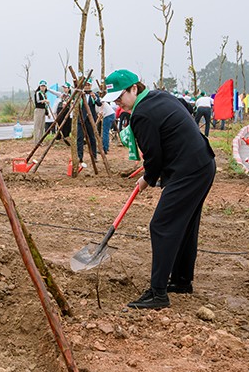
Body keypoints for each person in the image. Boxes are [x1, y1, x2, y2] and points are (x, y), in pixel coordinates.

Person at [103, 69, 215, 310]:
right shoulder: (160, 96)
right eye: (115, 100)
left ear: (134, 88)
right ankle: (182, 281)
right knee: (185, 224)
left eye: (120, 97)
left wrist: (148, 178)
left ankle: (158, 293)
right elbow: (185, 110)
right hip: (203, 164)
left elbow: (153, 157)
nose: (118, 104)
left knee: (162, 225)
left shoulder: (141, 115)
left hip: (188, 171)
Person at [76, 78, 101, 162]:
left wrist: (95, 97)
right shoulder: (80, 94)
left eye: (88, 85)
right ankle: (80, 156)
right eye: (85, 85)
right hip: (81, 119)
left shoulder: (94, 94)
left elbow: (99, 103)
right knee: (80, 138)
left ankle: (94, 156)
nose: (87, 87)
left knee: (92, 138)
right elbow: (75, 103)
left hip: (90, 119)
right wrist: (79, 97)